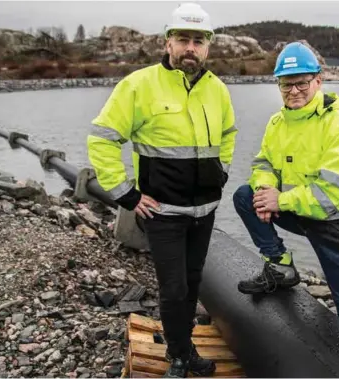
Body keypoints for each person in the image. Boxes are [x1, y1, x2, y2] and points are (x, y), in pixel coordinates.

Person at [87, 3, 237, 377]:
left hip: (204, 212)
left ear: (207, 46)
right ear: (168, 42)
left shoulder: (217, 89)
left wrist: (222, 173)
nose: (191, 47)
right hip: (162, 213)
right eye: (183, 39)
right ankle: (178, 356)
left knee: (192, 285)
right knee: (172, 289)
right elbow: (103, 138)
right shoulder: (139, 85)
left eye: (198, 41)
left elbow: (229, 135)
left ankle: (187, 349)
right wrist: (127, 194)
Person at [233, 42, 339, 333]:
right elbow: (264, 163)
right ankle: (280, 266)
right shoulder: (277, 122)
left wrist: (279, 200)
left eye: (301, 83)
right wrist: (266, 191)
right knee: (247, 197)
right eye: (286, 84)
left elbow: (331, 196)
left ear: (318, 81)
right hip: (301, 211)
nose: (293, 91)